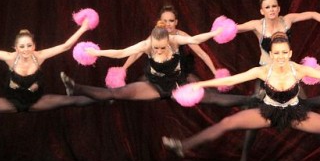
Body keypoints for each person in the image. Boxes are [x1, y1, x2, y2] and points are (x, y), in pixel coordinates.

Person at [162, 33, 320, 161]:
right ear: (271, 54)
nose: (280, 57)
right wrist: (201, 85)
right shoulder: (262, 71)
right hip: (268, 112)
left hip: (295, 113)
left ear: (290, 52)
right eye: (276, 53)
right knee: (226, 123)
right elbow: (233, 79)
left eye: (284, 53)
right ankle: (182, 146)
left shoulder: (298, 69)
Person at [234, 0, 320, 161]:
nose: (271, 10)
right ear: (262, 11)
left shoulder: (287, 20)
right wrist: (215, 33)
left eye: (274, 6)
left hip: (287, 74)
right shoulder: (257, 25)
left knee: (306, 110)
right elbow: (233, 29)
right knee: (255, 117)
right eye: (267, 7)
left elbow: (312, 14)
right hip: (266, 74)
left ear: (279, 8)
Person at [61, 22, 252, 108]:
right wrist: (97, 53)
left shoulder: (175, 40)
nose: (159, 50)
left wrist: (215, 32)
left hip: (179, 84)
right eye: (156, 47)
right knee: (116, 93)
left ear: (168, 41)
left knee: (213, 99)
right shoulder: (146, 45)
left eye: (162, 47)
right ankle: (75, 87)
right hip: (155, 85)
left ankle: (251, 100)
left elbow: (195, 39)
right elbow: (120, 52)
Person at [0, 20, 97, 113]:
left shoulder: (39, 56)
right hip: (12, 102)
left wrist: (83, 27)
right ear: (15, 48)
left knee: (71, 101)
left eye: (29, 46)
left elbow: (65, 46)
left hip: (35, 101)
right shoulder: (10, 58)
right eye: (22, 46)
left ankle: (106, 98)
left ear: (34, 46)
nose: (26, 50)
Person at [120, 5, 220, 84]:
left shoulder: (181, 35)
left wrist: (215, 73)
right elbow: (137, 52)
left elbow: (201, 53)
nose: (168, 24)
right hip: (159, 72)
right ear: (160, 22)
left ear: (176, 22)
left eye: (171, 21)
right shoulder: (156, 35)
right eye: (165, 21)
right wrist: (122, 70)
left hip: (177, 73)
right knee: (140, 84)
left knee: (196, 86)